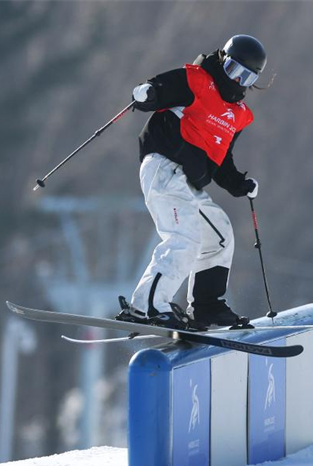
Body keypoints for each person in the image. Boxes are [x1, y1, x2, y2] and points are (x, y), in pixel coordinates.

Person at [116, 35, 266, 330]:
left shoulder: (237, 116)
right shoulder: (197, 81)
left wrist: (239, 184)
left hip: (188, 184)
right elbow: (158, 91)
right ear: (223, 61)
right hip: (164, 166)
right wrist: (147, 93)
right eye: (234, 70)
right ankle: (147, 306)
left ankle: (207, 306)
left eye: (246, 77)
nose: (237, 80)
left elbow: (221, 160)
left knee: (219, 234)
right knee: (184, 238)